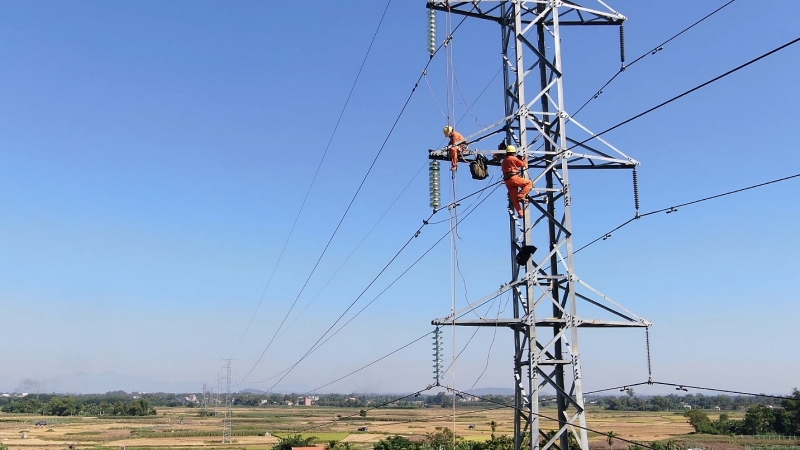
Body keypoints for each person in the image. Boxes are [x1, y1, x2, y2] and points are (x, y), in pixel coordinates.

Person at [501, 145, 532, 218]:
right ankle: (521, 196)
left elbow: (511, 165)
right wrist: (526, 159)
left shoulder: (504, 160)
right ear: (513, 152)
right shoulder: (513, 158)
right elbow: (523, 164)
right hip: (514, 178)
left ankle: (520, 213)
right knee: (529, 183)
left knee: (514, 199)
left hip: (507, 181)